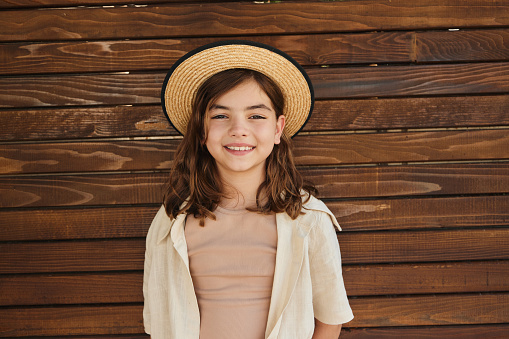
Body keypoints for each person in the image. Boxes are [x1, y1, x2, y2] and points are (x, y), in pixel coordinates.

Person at [143, 40, 353, 339]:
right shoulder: (171, 221)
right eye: (220, 115)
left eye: (256, 115)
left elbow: (330, 318)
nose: (238, 129)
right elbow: (158, 318)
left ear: (278, 128)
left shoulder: (309, 218)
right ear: (201, 130)